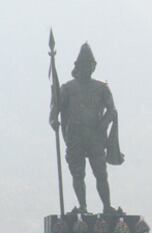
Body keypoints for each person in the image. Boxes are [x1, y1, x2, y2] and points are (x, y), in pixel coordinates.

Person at [49, 43, 123, 214]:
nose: (87, 68)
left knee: (101, 173)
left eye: (90, 65)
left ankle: (107, 206)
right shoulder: (67, 88)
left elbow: (112, 110)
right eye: (83, 65)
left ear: (93, 66)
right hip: (75, 136)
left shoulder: (101, 88)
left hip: (95, 136)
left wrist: (103, 124)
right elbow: (55, 110)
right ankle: (83, 206)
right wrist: (53, 121)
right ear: (78, 66)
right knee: (77, 173)